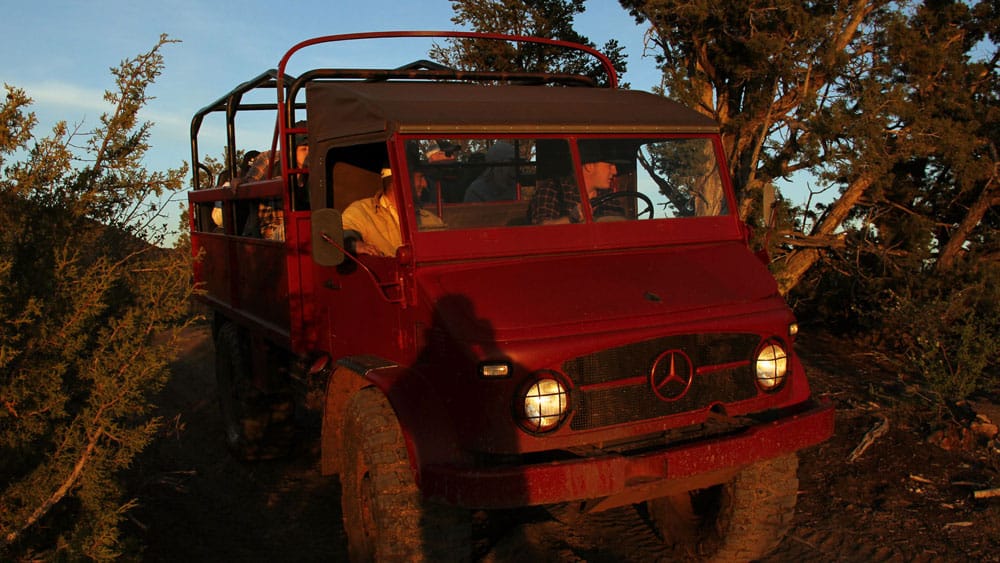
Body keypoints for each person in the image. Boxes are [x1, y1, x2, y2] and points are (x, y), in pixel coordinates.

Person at [342, 167, 444, 257]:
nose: (425, 184)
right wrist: (354, 244)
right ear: (400, 180)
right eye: (421, 177)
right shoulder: (361, 212)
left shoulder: (430, 219)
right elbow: (339, 235)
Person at [529, 152, 624, 224]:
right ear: (589, 166)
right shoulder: (554, 190)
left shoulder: (610, 197)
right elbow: (542, 229)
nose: (615, 171)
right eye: (610, 165)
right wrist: (572, 218)